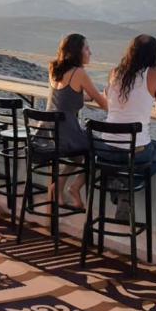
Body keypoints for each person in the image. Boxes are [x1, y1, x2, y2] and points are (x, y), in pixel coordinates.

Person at [104, 35, 156, 202]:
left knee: (135, 149)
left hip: (106, 150)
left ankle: (119, 183)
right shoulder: (155, 74)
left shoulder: (115, 72)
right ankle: (127, 185)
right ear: (155, 54)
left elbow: (110, 99)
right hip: (134, 152)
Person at [45, 33, 107, 209]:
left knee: (78, 156)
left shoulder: (54, 69)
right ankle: (75, 187)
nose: (90, 52)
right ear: (76, 52)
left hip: (48, 132)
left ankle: (57, 187)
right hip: (66, 134)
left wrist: (86, 98)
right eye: (87, 48)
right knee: (99, 150)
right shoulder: (79, 73)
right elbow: (103, 103)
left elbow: (66, 96)